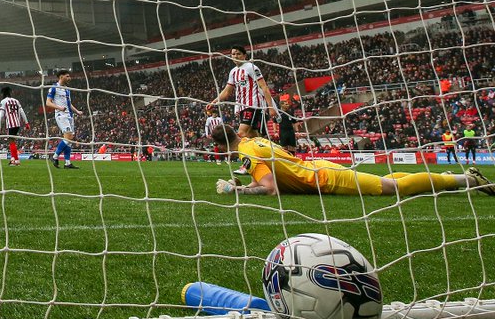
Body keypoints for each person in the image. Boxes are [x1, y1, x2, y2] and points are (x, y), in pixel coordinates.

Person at [207, 124, 494, 198]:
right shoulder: (255, 141)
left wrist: (239, 191)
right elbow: (270, 170)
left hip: (325, 179)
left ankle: (467, 180)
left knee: (390, 188)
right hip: (319, 168)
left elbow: (270, 188)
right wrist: (244, 179)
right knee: (392, 181)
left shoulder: (248, 152)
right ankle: (456, 177)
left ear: (220, 146)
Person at [207, 44, 277, 141]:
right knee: (252, 135)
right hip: (241, 106)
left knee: (241, 133)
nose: (235, 56)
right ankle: (266, 152)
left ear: (244, 56)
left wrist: (271, 107)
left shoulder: (251, 67)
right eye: (233, 54)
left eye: (238, 54)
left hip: (252, 105)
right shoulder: (233, 72)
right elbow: (227, 91)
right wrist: (213, 102)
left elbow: (264, 87)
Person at [44, 70, 79, 169]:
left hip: (70, 115)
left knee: (69, 139)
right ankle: (54, 156)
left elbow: (69, 104)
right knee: (68, 137)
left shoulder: (67, 89)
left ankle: (67, 163)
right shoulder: (54, 88)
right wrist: (59, 108)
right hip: (61, 115)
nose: (69, 78)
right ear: (61, 77)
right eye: (67, 76)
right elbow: (48, 103)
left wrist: (77, 111)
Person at [0, 86, 28, 166]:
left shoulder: (3, 101)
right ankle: (14, 159)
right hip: (17, 124)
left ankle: (15, 160)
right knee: (12, 141)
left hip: (10, 124)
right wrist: (26, 123)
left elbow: (1, 116)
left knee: (11, 141)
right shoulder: (16, 101)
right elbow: (22, 112)